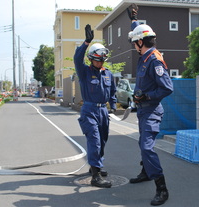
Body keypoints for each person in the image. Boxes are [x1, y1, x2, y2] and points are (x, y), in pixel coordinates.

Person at [127, 5, 174, 206]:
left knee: (146, 147)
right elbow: (140, 31)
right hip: (143, 111)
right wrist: (134, 19)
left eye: (135, 43)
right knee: (142, 144)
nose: (133, 46)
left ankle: (162, 188)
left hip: (152, 111)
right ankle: (146, 172)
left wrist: (145, 96)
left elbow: (167, 88)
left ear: (140, 42)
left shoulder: (154, 60)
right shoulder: (144, 56)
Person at [74, 24, 117, 188]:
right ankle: (96, 176)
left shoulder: (108, 74)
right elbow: (77, 58)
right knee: (95, 140)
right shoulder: (84, 71)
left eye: (102, 60)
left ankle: (96, 167)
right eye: (97, 60)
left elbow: (112, 91)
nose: (100, 63)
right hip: (89, 110)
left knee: (103, 140)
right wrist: (86, 42)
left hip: (103, 111)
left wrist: (112, 105)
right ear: (91, 58)